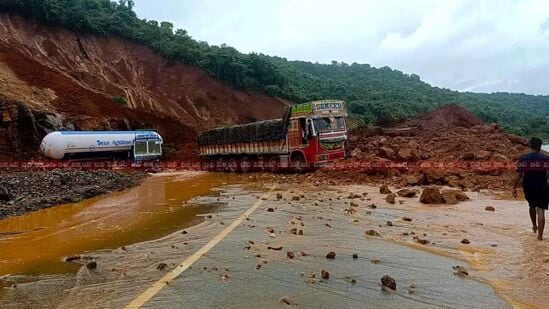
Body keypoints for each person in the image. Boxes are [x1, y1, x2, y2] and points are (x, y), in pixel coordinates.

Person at [512, 137, 547, 241]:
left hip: (528, 186)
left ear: (530, 146)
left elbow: (518, 175)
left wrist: (514, 188)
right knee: (541, 210)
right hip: (542, 186)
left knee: (531, 205)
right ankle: (540, 236)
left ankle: (534, 226)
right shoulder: (546, 159)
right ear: (540, 147)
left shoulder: (523, 158)